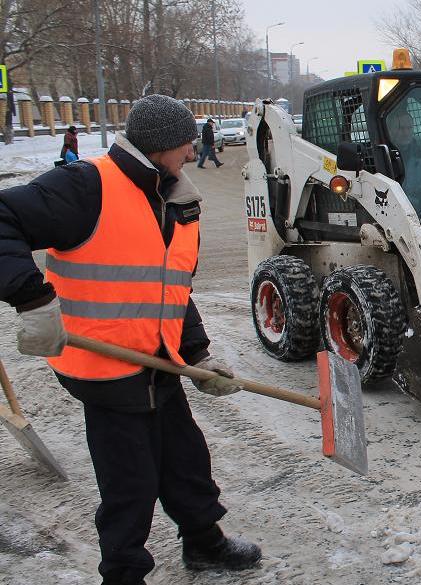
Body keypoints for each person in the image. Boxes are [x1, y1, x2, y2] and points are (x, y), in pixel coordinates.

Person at [0, 94, 261, 584]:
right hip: (104, 366)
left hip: (156, 359)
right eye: (186, 143)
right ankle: (122, 573)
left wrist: (198, 356)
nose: (192, 153)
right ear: (160, 145)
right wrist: (31, 298)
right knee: (130, 480)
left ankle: (204, 543)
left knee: (185, 457)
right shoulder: (86, 186)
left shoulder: (174, 197)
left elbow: (171, 290)